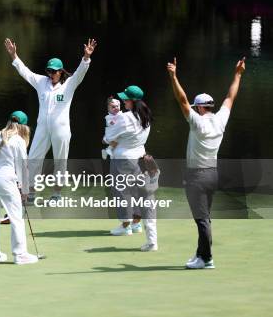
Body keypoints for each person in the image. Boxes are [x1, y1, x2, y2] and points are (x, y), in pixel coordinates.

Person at [167, 56, 246, 269]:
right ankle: (201, 253)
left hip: (197, 176)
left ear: (200, 108)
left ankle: (207, 259)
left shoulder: (197, 123)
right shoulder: (220, 119)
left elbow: (182, 100)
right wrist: (238, 74)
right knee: (205, 217)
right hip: (212, 174)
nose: (194, 108)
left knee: (201, 219)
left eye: (196, 107)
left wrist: (174, 76)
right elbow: (230, 97)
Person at [4, 38, 96, 200]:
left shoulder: (69, 84)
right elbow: (25, 72)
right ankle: (31, 192)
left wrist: (86, 58)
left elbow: (80, 74)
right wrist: (14, 55)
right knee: (33, 158)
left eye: (54, 71)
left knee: (60, 161)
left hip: (61, 129)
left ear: (61, 71)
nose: (51, 74)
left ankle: (57, 193)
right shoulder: (41, 82)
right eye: (49, 71)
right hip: (42, 127)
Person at [0, 111, 39, 265]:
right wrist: (25, 190)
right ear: (23, 126)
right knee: (16, 217)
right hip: (5, 179)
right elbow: (22, 166)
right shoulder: (19, 140)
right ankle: (20, 255)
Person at [103, 85, 152, 236]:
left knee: (121, 192)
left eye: (125, 99)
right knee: (134, 191)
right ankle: (136, 224)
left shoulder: (125, 117)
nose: (123, 101)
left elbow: (107, 139)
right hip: (137, 159)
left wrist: (107, 138)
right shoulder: (146, 114)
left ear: (131, 100)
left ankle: (125, 226)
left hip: (122, 160)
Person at [137, 155, 160, 252]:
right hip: (151, 198)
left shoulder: (144, 176)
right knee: (149, 221)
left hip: (146, 199)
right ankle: (151, 242)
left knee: (149, 222)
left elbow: (141, 186)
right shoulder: (157, 172)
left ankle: (152, 244)